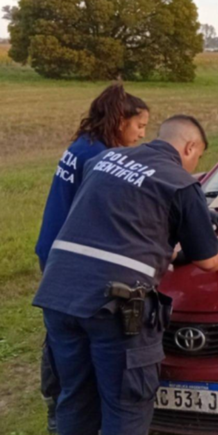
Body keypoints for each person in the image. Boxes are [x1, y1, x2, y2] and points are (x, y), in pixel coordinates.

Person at [33, 115, 218, 435]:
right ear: (190, 146)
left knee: (75, 399)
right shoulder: (179, 181)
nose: (195, 162)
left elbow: (123, 227)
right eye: (198, 156)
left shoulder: (103, 159)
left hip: (59, 294)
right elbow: (209, 261)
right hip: (114, 307)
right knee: (125, 405)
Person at [35, 83, 150, 433]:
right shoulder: (98, 159)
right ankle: (64, 414)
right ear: (120, 122)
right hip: (71, 262)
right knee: (71, 353)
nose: (143, 134)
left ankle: (65, 408)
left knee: (62, 341)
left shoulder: (81, 146)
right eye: (140, 126)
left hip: (52, 251)